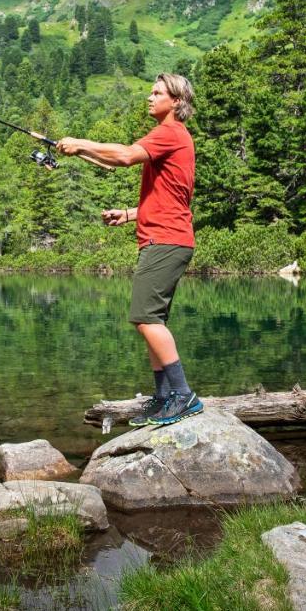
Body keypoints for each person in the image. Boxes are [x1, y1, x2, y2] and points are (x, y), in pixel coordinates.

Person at [57, 73, 200, 426]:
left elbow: (123, 157)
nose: (149, 98)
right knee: (153, 320)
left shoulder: (169, 133)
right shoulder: (174, 139)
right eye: (150, 92)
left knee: (144, 317)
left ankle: (183, 396)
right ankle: (163, 396)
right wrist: (128, 214)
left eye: (157, 93)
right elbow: (170, 196)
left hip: (165, 241)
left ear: (177, 102)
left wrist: (81, 140)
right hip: (167, 237)